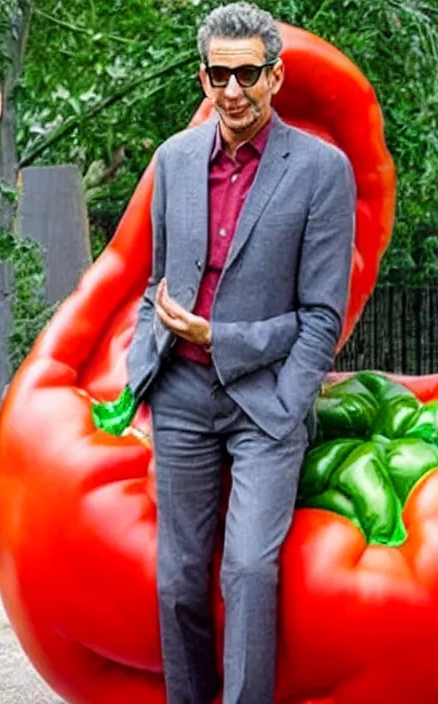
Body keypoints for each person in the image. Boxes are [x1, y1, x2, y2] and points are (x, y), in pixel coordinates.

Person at [126, 3, 356, 702]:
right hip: (183, 396)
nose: (233, 90)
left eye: (248, 73)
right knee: (177, 582)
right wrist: (145, 365)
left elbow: (322, 315)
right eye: (219, 74)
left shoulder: (322, 169)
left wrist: (283, 399)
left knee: (250, 573)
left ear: (275, 76)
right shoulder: (173, 159)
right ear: (203, 77)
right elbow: (157, 279)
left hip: (266, 401)